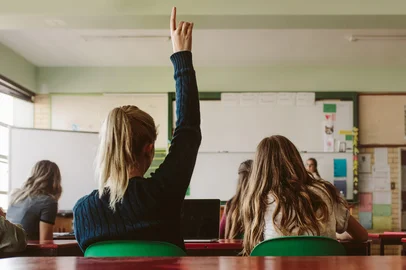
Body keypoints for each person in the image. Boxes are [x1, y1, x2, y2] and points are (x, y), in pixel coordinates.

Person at [73, 7, 201, 252]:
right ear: (149, 149)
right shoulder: (163, 194)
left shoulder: (83, 212)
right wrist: (181, 55)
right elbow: (188, 129)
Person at [241, 135, 368, 255]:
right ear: (296, 160)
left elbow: (255, 248)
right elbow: (362, 235)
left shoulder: (258, 200)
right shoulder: (324, 191)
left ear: (259, 169)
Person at [7, 160, 62, 241]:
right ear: (55, 180)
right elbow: (46, 243)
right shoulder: (48, 202)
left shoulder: (15, 196)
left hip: (6, 250)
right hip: (27, 251)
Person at [219, 160, 252, 239]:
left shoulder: (231, 203)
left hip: (231, 249)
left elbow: (220, 234)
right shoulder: (262, 201)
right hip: (256, 250)